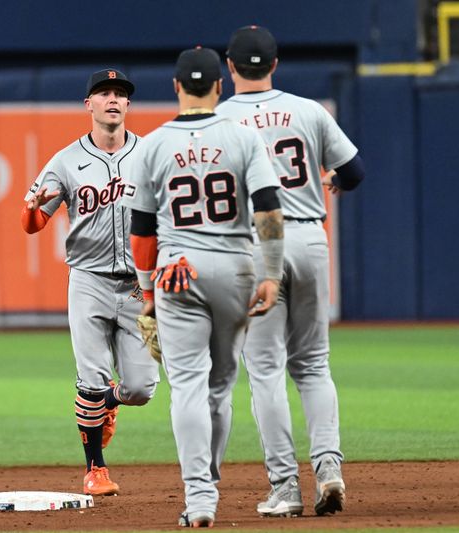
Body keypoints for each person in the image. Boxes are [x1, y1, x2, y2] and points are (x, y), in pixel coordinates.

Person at [123, 47, 285, 527]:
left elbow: (142, 230)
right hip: (234, 268)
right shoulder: (242, 136)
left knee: (187, 387)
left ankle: (199, 501)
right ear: (220, 86)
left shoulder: (152, 144)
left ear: (176, 87)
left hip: (178, 270)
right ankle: (209, 480)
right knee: (220, 387)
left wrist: (148, 292)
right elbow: (269, 210)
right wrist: (271, 272)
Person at [216, 25, 366, 517]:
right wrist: (330, 177)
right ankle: (329, 468)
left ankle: (285, 487)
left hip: (256, 244)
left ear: (230, 67)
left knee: (265, 371)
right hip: (308, 236)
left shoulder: (217, 119)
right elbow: (355, 172)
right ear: (275, 64)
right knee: (314, 364)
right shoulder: (308, 110)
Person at [21, 68, 160, 496]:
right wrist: (31, 208)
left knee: (141, 388)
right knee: (91, 378)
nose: (113, 99)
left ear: (128, 105)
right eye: (104, 93)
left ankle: (110, 406)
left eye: (120, 94)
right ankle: (95, 468)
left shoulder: (150, 154)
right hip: (89, 280)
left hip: (138, 285)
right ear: (89, 105)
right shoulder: (65, 161)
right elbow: (32, 224)